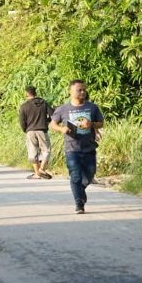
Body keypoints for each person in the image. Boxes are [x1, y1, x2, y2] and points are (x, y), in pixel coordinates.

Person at [49, 80, 104, 214]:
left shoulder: (92, 107)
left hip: (89, 147)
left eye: (84, 90)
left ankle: (80, 190)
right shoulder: (63, 109)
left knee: (89, 176)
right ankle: (79, 204)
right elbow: (52, 124)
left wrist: (92, 125)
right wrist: (61, 129)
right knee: (75, 177)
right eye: (79, 90)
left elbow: (101, 123)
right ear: (71, 92)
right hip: (72, 148)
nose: (83, 92)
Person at [19, 86, 53, 180]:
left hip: (30, 131)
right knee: (46, 150)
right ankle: (42, 169)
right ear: (35, 93)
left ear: (26, 93)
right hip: (42, 130)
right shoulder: (44, 103)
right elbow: (53, 114)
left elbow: (22, 121)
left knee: (32, 151)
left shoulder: (24, 106)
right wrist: (47, 121)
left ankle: (37, 173)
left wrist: (26, 129)